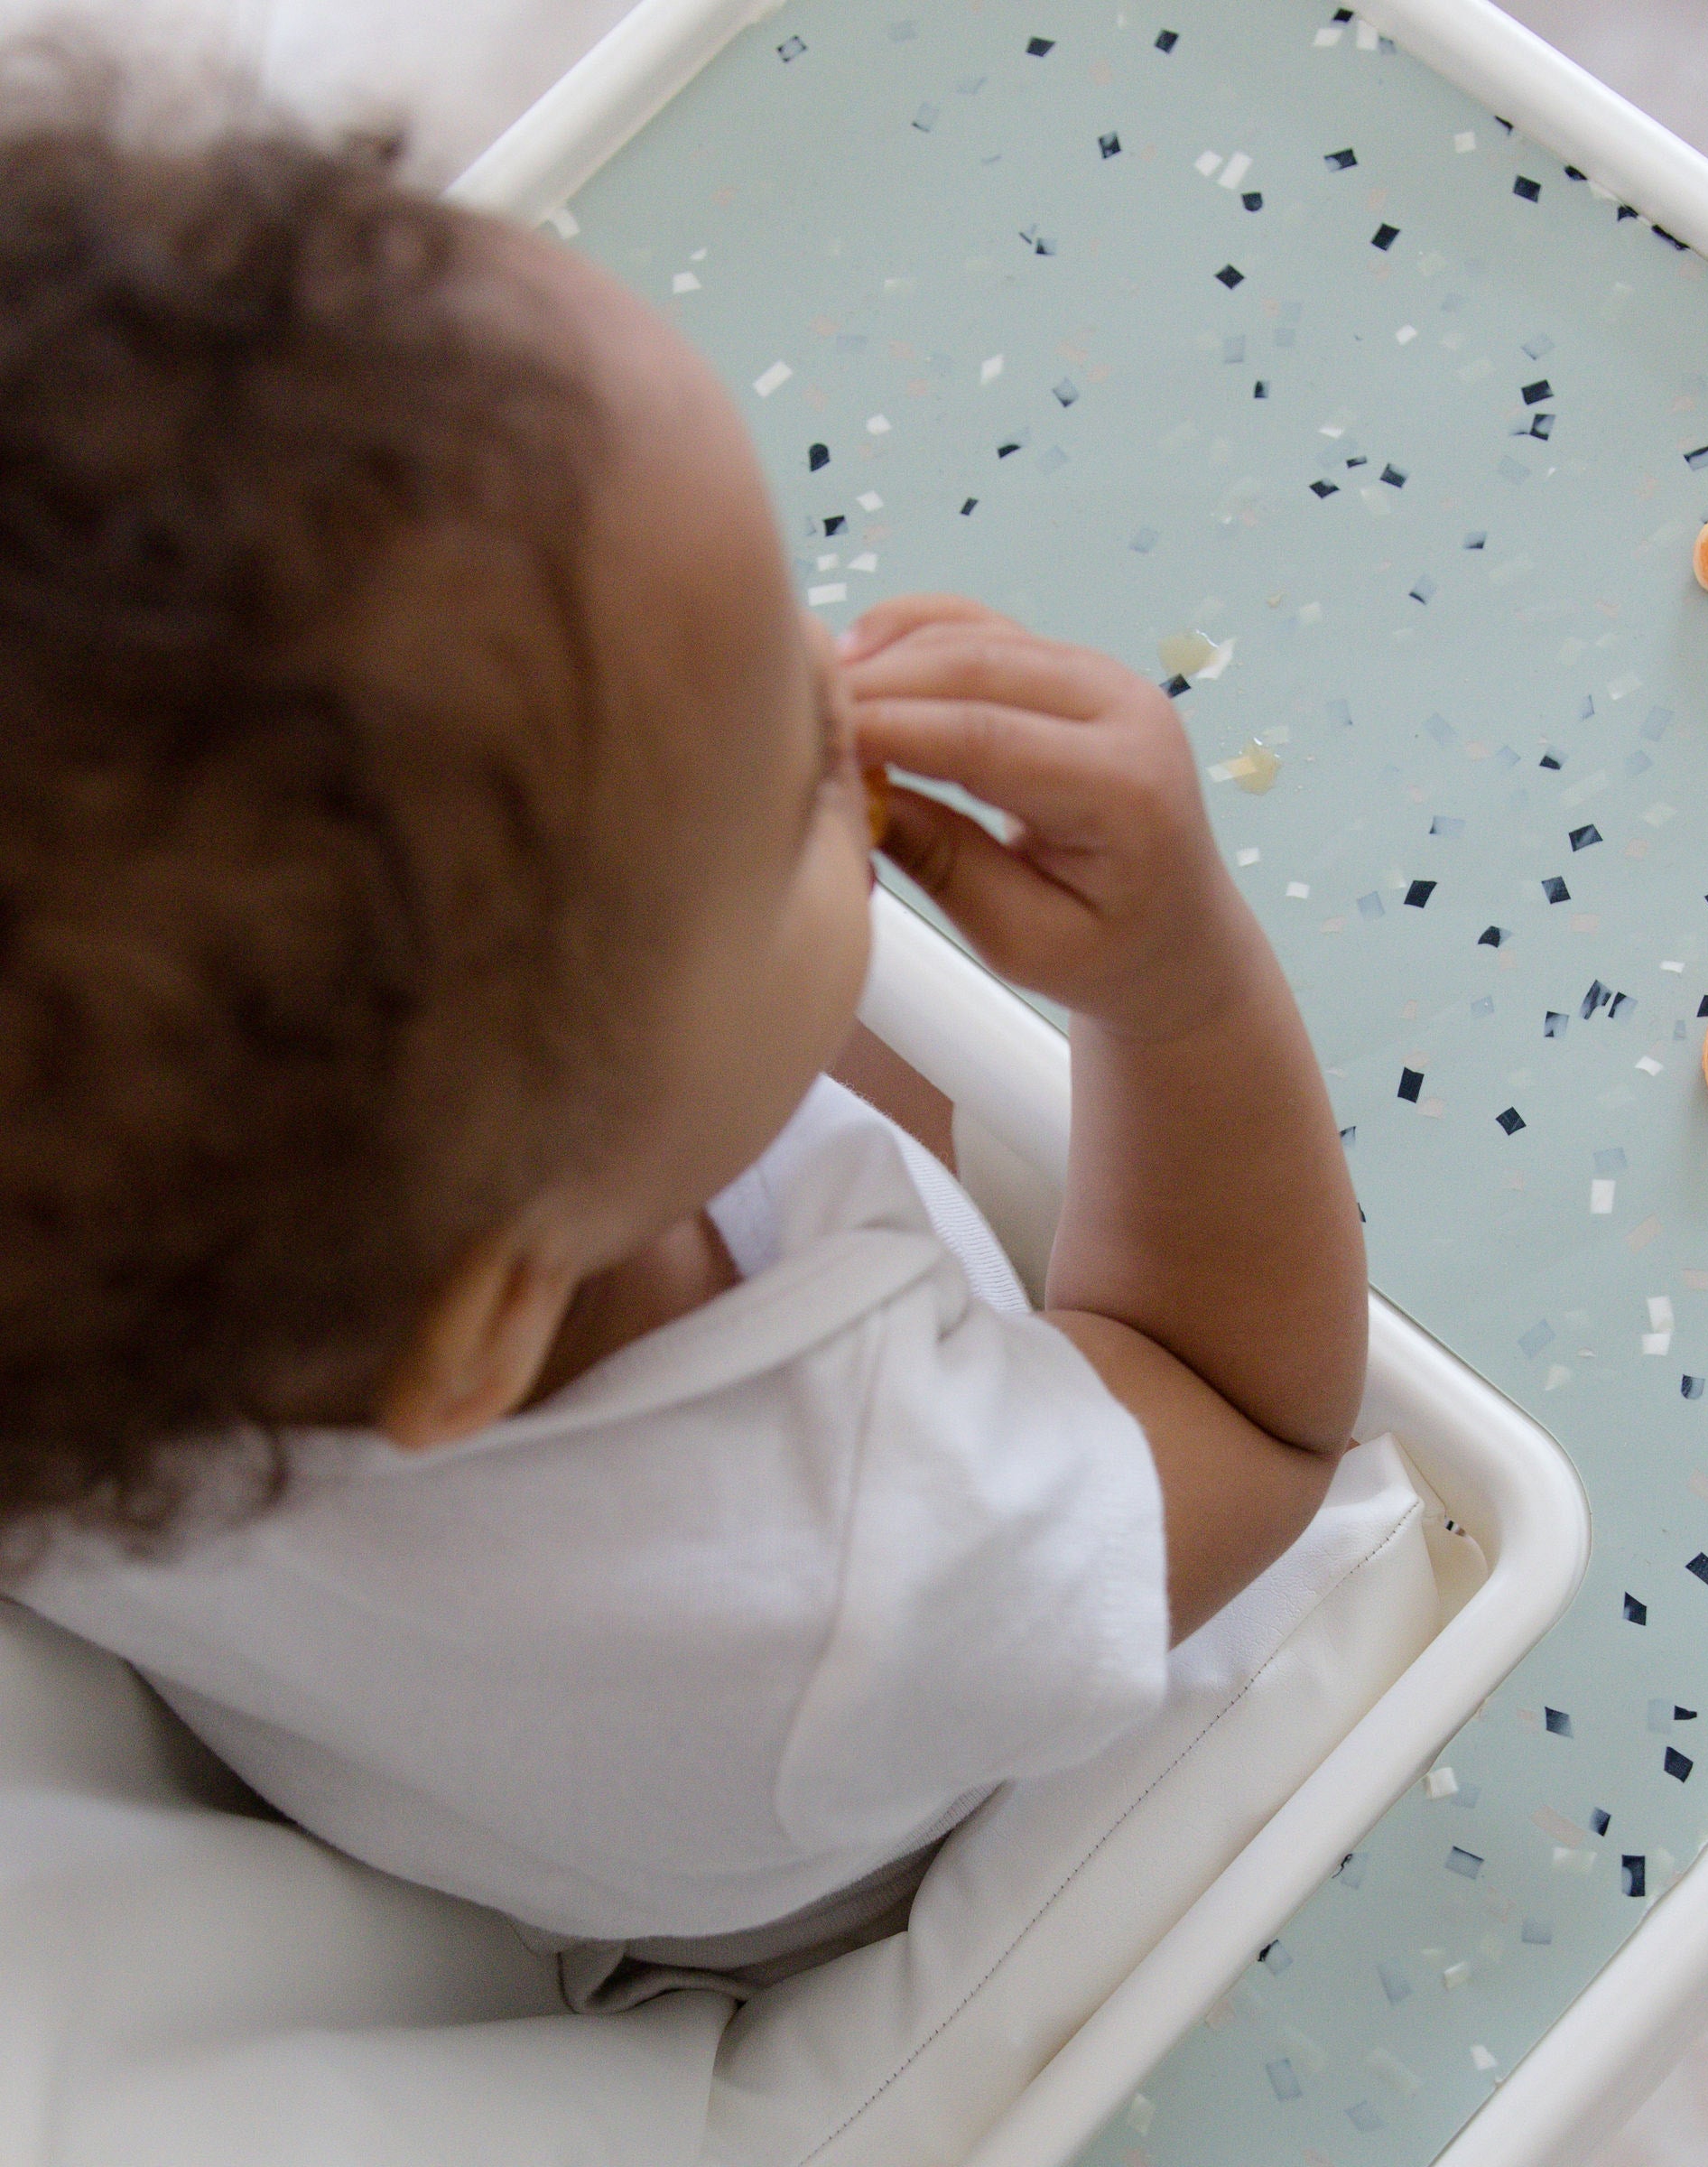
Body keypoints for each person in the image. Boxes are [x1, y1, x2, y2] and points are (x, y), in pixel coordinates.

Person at [0, 89, 1368, 2007]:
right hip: (908, 1834)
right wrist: (1180, 984)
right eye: (783, 785)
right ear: (481, 1324)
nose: (833, 679)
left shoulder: (107, 1283)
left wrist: (747, 851)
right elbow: (1256, 1414)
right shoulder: (856, 1552)